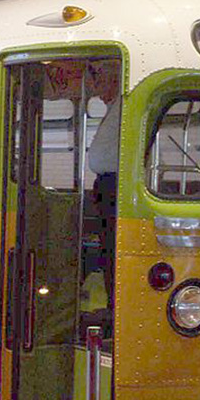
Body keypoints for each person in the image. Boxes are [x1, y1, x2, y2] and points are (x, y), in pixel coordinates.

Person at [86, 65, 120, 312]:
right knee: (105, 247)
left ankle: (113, 306)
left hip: (115, 187)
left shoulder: (123, 108)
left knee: (111, 249)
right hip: (107, 187)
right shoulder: (114, 109)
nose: (97, 90)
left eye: (99, 76)